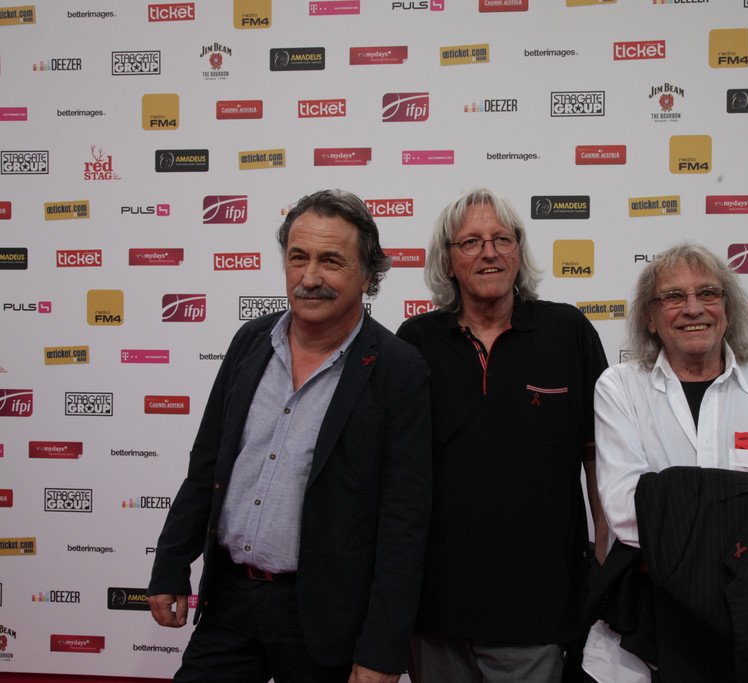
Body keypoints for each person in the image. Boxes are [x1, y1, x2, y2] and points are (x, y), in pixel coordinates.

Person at [147, 190, 432, 683]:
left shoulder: (398, 369)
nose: (310, 277)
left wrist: (382, 651)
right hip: (229, 602)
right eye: (298, 257)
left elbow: (404, 524)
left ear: (368, 275)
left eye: (331, 261)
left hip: (324, 617)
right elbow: (208, 464)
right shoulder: (250, 341)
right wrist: (171, 562)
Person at [397, 187, 609, 683]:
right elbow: (396, 474)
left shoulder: (569, 331)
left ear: (519, 250)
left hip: (538, 606)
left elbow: (599, 457)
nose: (489, 252)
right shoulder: (415, 342)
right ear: (448, 261)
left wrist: (604, 553)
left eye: (502, 239)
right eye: (470, 242)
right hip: (436, 607)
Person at [582, 243, 748, 683]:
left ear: (727, 308)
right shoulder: (619, 388)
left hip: (745, 628)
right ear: (650, 317)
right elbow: (626, 513)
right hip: (640, 639)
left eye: (708, 293)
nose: (693, 308)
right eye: (673, 296)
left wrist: (672, 503)